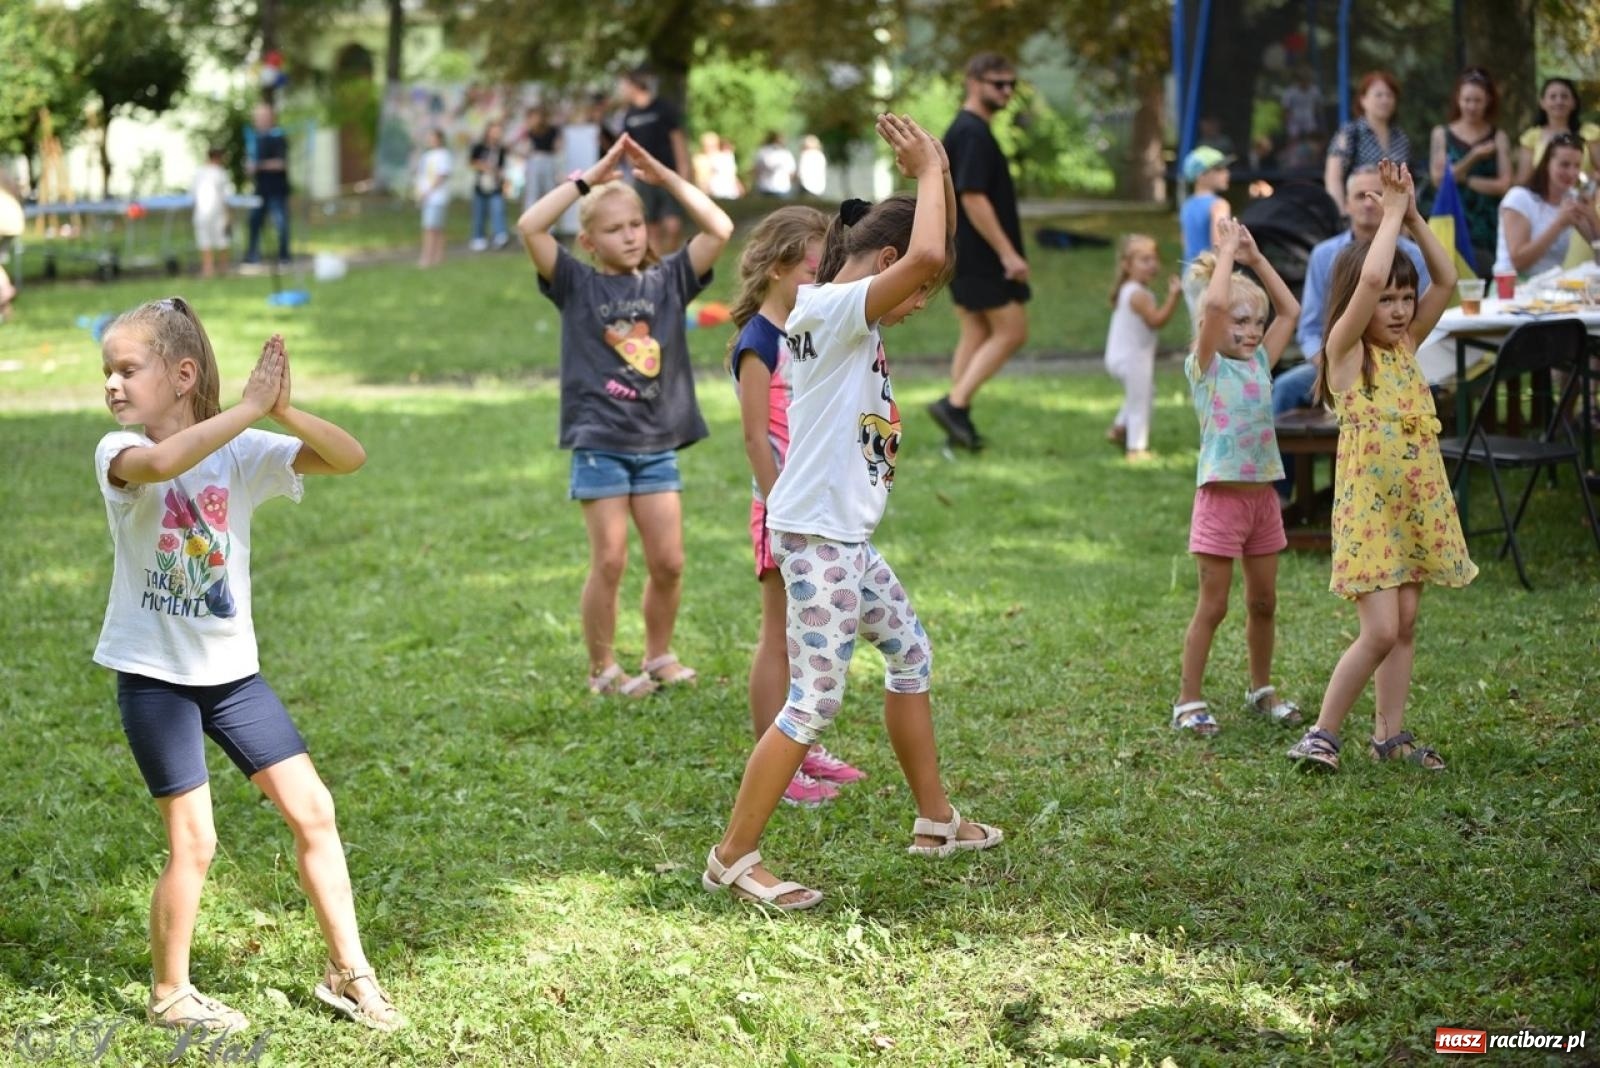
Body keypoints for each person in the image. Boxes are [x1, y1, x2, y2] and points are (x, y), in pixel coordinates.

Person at [703, 114, 1001, 912]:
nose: (920, 304)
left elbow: (925, 257)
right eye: (920, 293)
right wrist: (932, 172)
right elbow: (931, 252)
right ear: (890, 264)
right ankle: (732, 857)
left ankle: (936, 820)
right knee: (815, 702)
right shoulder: (832, 308)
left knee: (911, 655)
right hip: (819, 541)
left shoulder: (840, 316)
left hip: (847, 538)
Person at [92, 299, 403, 1035]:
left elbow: (350, 457)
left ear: (182, 374)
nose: (112, 384)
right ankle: (171, 992)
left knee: (315, 812)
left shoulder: (243, 452)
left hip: (232, 676)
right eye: (106, 370)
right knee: (195, 840)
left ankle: (347, 971)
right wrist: (249, 409)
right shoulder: (117, 453)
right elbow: (166, 461)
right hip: (154, 677)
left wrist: (283, 412)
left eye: (128, 369)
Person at [517, 133, 733, 696]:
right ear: (589, 241)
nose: (629, 235)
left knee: (669, 562)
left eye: (634, 224)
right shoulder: (576, 283)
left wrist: (666, 177)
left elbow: (720, 230)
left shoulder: (669, 280)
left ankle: (659, 656)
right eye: (613, 229)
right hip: (600, 440)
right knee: (609, 561)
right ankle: (604, 670)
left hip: (656, 443)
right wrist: (587, 179)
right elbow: (530, 227)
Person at [1288, 161, 1474, 772]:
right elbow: (1366, 280)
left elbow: (1445, 280)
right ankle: (1321, 733)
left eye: (1403, 298)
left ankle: (1389, 736)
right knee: (1380, 631)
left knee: (1408, 622)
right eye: (1386, 300)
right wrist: (1389, 215)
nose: (1397, 309)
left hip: (1413, 509)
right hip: (1370, 516)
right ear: (1357, 304)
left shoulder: (1406, 348)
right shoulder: (1347, 355)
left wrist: (1415, 216)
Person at [726, 205, 864, 808]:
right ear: (781, 267)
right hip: (781, 512)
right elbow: (756, 437)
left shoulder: (799, 332)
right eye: (814, 269)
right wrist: (781, 507)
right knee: (778, 636)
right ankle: (773, 760)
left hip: (809, 509)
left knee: (804, 635)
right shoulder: (759, 340)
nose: (822, 279)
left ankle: (800, 750)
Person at [1171, 218, 1303, 737]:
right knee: (1215, 605)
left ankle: (1261, 689)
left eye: (1256, 323)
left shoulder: (1261, 363)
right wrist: (1225, 254)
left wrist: (1254, 255)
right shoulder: (1205, 367)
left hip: (1262, 502)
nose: (1250, 331)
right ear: (1213, 322)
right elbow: (1218, 305)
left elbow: (1290, 309)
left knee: (1263, 603)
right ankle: (1188, 700)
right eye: (1239, 322)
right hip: (1220, 504)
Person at [1278, 165, 1431, 500]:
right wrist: (1331, 365)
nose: (1369, 203)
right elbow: (1309, 329)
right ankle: (1281, 495)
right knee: (1285, 389)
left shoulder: (1412, 255)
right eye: (1360, 196)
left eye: (1377, 195)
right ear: (1345, 204)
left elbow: (1433, 295)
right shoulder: (1325, 254)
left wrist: (1405, 218)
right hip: (1336, 357)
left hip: (1393, 359)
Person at [928, 52, 1030, 451]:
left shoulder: (969, 130)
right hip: (981, 255)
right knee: (1012, 331)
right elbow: (972, 197)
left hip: (963, 252)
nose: (1006, 92)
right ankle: (954, 405)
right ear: (973, 81)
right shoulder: (971, 132)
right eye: (997, 84)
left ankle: (957, 419)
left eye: (1011, 85)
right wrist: (1007, 254)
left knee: (976, 330)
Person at [1103, 234, 1182, 461]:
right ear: (1127, 265)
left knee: (1146, 393)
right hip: (1133, 359)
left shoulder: (1128, 289)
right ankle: (1136, 449)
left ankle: (1119, 428)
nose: (1152, 264)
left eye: (1154, 259)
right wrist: (1174, 297)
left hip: (1119, 357)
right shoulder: (1138, 294)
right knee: (1140, 401)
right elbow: (1156, 321)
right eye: (1144, 260)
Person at [1428, 68, 1512, 277]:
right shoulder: (1441, 134)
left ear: (1488, 101)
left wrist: (1462, 178)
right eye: (1467, 100)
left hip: (1488, 225)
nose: (1472, 106)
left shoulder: (1498, 136)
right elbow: (1438, 180)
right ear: (1458, 99)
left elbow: (1504, 185)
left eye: (1477, 100)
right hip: (1451, 217)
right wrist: (1473, 157)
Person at [1495, 132, 1600, 279]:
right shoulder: (1519, 198)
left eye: (1577, 166)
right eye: (1564, 165)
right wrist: (1559, 224)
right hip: (1511, 287)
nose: (1571, 173)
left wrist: (1592, 216)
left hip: (1550, 288)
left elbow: (1597, 246)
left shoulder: (1571, 198)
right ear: (1547, 164)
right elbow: (1518, 262)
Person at [617, 68, 691, 254]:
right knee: (651, 228)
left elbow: (678, 140)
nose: (621, 91)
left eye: (623, 86)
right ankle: (659, 270)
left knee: (673, 225)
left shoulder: (663, 108)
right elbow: (628, 147)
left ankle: (671, 260)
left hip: (668, 174)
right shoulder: (629, 116)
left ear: (634, 86)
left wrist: (684, 171)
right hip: (643, 178)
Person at [1324, 71, 1411, 216]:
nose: (1385, 100)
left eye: (1389, 95)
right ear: (1363, 100)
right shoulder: (1350, 132)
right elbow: (1333, 176)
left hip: (1393, 214)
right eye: (1378, 95)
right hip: (1361, 212)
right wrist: (1341, 213)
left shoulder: (1400, 137)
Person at [1512, 77, 1600, 187]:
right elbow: (1523, 179)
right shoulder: (1531, 137)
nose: (1559, 101)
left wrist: (1585, 180)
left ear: (1573, 103)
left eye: (1564, 97)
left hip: (1583, 197)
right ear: (1542, 103)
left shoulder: (1589, 133)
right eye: (1553, 97)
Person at [243, 104, 290, 266]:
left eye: (263, 116)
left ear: (271, 118)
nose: (260, 120)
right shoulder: (254, 139)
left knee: (280, 223)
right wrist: (249, 167)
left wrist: (259, 165)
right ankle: (252, 254)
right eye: (258, 117)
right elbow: (251, 164)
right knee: (254, 221)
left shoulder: (278, 137)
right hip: (260, 189)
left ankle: (284, 255)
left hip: (277, 189)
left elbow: (281, 163)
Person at [1180, 146, 1233, 262]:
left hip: (1190, 274)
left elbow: (1185, 244)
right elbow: (1219, 246)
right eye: (1219, 169)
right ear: (1201, 175)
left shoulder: (1187, 205)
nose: (1226, 173)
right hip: (1210, 275)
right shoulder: (1219, 205)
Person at [468, 121, 510, 252]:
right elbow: (472, 162)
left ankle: (500, 235)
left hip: (495, 184)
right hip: (481, 184)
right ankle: (478, 237)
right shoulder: (479, 147)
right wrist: (484, 166)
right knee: (479, 212)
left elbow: (502, 168)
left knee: (498, 209)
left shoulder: (501, 149)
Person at [190, 147, 231, 279]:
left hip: (201, 212)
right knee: (222, 240)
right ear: (218, 158)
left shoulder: (198, 172)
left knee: (204, 240)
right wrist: (229, 215)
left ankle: (208, 269)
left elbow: (192, 195)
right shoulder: (221, 173)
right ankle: (223, 268)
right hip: (218, 212)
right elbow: (226, 196)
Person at [414, 128, 452, 269]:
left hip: (437, 198)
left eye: (432, 137)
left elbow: (441, 175)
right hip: (428, 198)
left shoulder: (444, 155)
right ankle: (435, 257)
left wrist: (428, 191)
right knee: (433, 227)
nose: (429, 140)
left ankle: (429, 257)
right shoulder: (427, 156)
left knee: (432, 228)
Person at [521, 105, 564, 213]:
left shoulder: (552, 130)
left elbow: (558, 147)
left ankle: (549, 220)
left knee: (549, 190)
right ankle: (530, 218)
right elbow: (526, 148)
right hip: (535, 159)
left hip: (548, 159)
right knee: (532, 192)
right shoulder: (530, 131)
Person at [752, 132, 797, 197]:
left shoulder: (762, 152)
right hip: (779, 188)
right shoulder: (786, 154)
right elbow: (792, 172)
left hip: (766, 187)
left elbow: (756, 170)